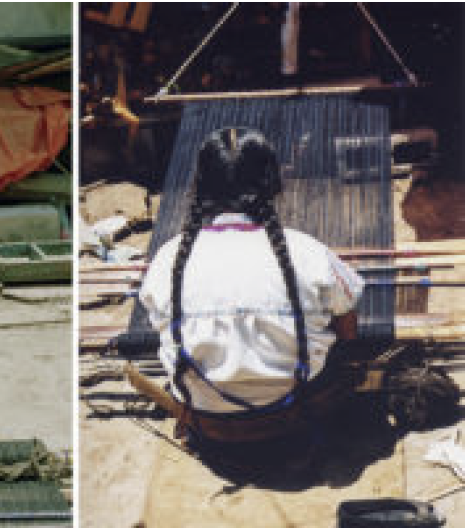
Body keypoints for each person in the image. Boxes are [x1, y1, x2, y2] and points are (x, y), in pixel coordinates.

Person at [138, 127, 365, 443]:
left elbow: (163, 328)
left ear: (200, 186)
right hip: (292, 414)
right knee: (343, 329)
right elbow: (347, 312)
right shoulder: (308, 252)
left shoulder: (168, 258)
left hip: (207, 421)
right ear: (271, 182)